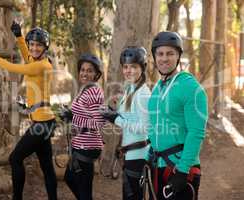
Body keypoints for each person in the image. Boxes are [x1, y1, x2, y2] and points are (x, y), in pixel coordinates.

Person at [0, 22, 57, 200]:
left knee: (15, 159)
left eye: (38, 45)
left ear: (45, 47)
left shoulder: (41, 66)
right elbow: (28, 57)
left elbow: (12, 67)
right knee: (47, 167)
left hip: (42, 125)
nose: (34, 48)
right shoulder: (38, 62)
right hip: (45, 122)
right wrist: (19, 37)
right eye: (32, 45)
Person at [147, 31, 208, 200]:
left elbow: (196, 132)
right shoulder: (158, 87)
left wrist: (182, 171)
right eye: (160, 54)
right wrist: (147, 157)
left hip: (180, 168)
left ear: (178, 56)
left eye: (170, 53)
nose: (164, 58)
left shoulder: (191, 87)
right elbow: (154, 126)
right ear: (154, 56)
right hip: (156, 167)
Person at [100, 46, 151, 200]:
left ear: (142, 68)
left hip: (138, 155)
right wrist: (112, 112)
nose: (129, 71)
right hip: (129, 154)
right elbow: (129, 118)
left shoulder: (143, 93)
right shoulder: (131, 89)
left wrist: (115, 118)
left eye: (134, 67)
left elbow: (143, 127)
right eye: (126, 67)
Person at [59, 53, 105, 200]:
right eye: (83, 70)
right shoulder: (85, 89)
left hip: (88, 146)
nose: (85, 73)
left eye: (89, 70)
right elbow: (83, 115)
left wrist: (73, 117)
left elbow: (99, 122)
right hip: (80, 144)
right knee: (70, 178)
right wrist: (69, 113)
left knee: (83, 188)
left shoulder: (94, 91)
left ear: (97, 74)